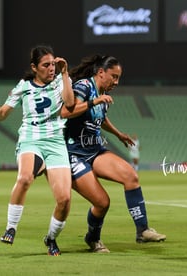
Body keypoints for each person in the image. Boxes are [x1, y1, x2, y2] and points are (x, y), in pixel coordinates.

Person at [61, 54, 166, 253]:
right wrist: (95, 101)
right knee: (102, 202)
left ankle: (142, 231)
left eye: (119, 78)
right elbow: (67, 112)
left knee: (130, 176)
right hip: (74, 154)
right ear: (101, 73)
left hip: (95, 150)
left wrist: (118, 134)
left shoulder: (104, 93)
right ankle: (93, 239)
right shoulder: (84, 86)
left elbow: (101, 118)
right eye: (113, 76)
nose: (116, 82)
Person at [0, 45, 74, 256]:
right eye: (46, 65)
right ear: (34, 67)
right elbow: (4, 114)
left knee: (64, 200)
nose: (51, 68)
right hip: (30, 139)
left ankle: (51, 238)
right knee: (25, 178)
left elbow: (70, 105)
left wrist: (65, 73)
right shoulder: (24, 85)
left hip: (55, 142)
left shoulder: (61, 80)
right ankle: (11, 227)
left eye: (53, 64)